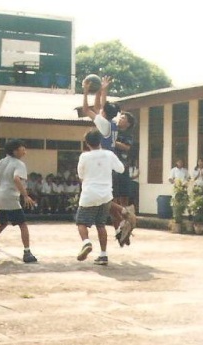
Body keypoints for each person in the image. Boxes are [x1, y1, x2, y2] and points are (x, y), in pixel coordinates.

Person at [82, 76, 137, 247]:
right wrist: (101, 90)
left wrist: (86, 90)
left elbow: (87, 109)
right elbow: (100, 106)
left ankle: (125, 213)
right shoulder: (111, 124)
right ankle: (121, 232)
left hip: (101, 165)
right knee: (106, 202)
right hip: (110, 164)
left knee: (104, 199)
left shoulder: (105, 124)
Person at [0, 139, 37, 263]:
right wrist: (25, 195)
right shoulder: (19, 164)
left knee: (3, 223)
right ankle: (27, 252)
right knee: (23, 224)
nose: (24, 152)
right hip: (10, 196)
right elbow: (16, 179)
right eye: (22, 149)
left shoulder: (2, 162)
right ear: (15, 151)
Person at [75, 129, 125, 266]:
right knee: (101, 224)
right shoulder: (109, 154)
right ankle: (103, 255)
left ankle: (86, 242)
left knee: (81, 223)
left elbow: (81, 175)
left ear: (87, 143)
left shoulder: (84, 157)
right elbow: (121, 169)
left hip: (89, 194)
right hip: (106, 195)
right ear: (100, 141)